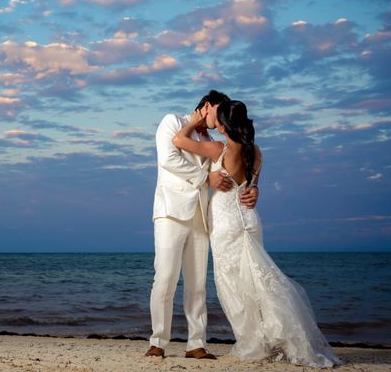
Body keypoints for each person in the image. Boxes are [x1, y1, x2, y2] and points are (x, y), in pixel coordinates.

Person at [172, 100, 341, 367]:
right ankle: (276, 336)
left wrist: (193, 121)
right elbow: (252, 186)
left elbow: (178, 140)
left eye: (217, 119)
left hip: (227, 221)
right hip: (250, 219)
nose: (212, 121)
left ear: (225, 125)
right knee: (258, 279)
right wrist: (256, 191)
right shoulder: (256, 151)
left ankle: (255, 342)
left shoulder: (219, 149)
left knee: (234, 285)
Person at [146, 90, 258, 359]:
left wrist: (253, 189)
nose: (219, 118)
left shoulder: (212, 139)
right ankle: (158, 342)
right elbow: (168, 160)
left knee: (197, 283)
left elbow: (236, 168)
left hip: (202, 214)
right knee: (165, 278)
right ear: (205, 106)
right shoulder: (172, 121)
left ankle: (196, 343)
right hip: (171, 211)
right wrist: (205, 177)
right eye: (217, 111)